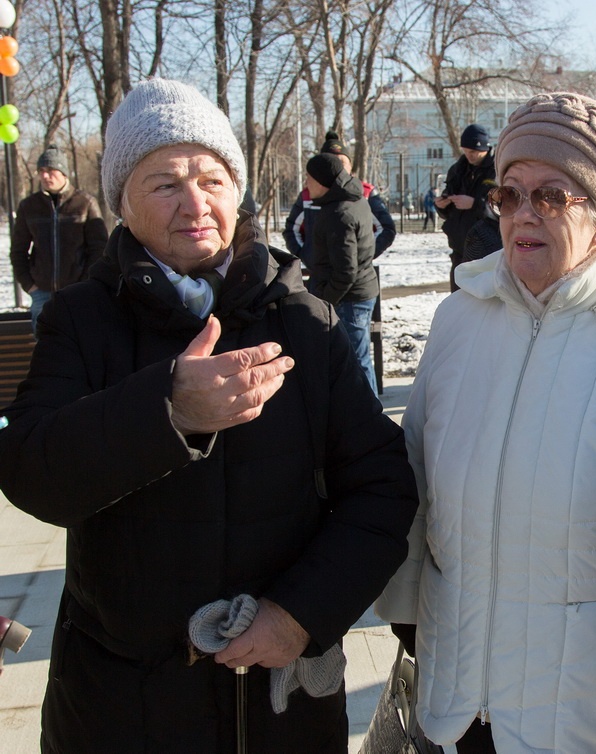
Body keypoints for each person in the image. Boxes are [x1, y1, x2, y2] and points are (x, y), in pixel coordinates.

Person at [0, 78, 418, 752]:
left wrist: (300, 615)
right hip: (122, 709)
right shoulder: (83, 318)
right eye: (164, 183)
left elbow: (383, 486)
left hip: (279, 708)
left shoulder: (301, 318)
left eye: (212, 179)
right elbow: (32, 473)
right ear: (122, 202)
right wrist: (167, 412)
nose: (194, 203)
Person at [375, 91, 596, 753]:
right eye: (509, 195)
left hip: (594, 727)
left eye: (550, 195)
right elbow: (415, 489)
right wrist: (407, 628)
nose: (521, 215)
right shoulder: (459, 321)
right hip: (460, 714)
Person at [10, 144, 108, 332]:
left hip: (78, 292)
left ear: (63, 172)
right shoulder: (28, 206)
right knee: (46, 350)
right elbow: (18, 251)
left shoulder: (84, 203)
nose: (45, 176)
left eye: (51, 170)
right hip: (42, 294)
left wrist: (86, 282)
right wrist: (30, 285)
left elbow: (99, 248)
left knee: (83, 343)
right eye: (41, 171)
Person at [305, 151, 380, 396]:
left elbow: (346, 270)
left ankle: (371, 423)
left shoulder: (340, 213)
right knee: (356, 360)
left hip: (350, 298)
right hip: (355, 293)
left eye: (309, 178)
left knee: (357, 361)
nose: (306, 184)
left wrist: (325, 298)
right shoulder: (349, 200)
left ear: (323, 180)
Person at [284, 132, 395, 270]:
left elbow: (386, 229)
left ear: (350, 166)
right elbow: (291, 231)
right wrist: (308, 257)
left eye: (342, 162)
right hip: (320, 278)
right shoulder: (308, 195)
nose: (337, 168)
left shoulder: (366, 193)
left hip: (358, 278)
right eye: (332, 161)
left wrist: (361, 259)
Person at [436, 123, 497, 291]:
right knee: (458, 303)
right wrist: (442, 205)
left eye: (473, 152)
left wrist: (474, 204)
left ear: (484, 148)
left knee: (482, 305)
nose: (469, 155)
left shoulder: (497, 170)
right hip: (459, 247)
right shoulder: (458, 169)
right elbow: (449, 205)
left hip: (487, 250)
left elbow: (504, 208)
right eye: (465, 150)